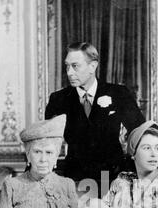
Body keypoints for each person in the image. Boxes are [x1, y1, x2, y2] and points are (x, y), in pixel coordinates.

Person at [45, 42, 145, 187]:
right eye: (67, 66)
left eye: (75, 66)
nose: (69, 72)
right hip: (76, 178)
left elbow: (140, 132)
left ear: (93, 66)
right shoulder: (58, 99)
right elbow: (47, 142)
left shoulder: (118, 93)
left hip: (113, 177)